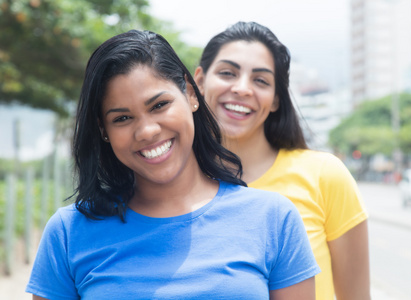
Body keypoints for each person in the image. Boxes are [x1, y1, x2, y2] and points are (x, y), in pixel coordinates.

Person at [26, 29, 320, 299]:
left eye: (159, 105)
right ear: (104, 131)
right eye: (122, 119)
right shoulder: (68, 233)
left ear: (191, 95)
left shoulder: (273, 218)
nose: (147, 131)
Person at [194, 21, 370, 300]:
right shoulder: (174, 184)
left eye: (260, 80)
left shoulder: (325, 176)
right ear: (200, 81)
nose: (242, 89)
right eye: (228, 73)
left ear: (276, 99)